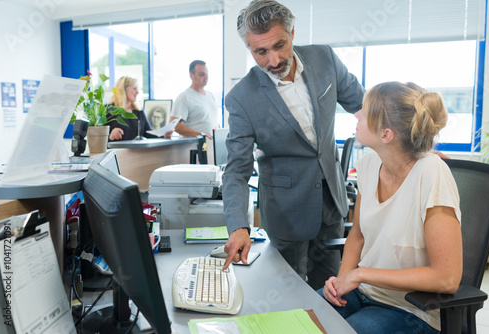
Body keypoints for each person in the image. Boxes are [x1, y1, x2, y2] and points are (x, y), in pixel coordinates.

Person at [221, 0, 365, 290]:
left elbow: (366, 107)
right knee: (289, 292)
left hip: (330, 198)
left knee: (332, 287)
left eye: (279, 45)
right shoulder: (241, 98)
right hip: (286, 210)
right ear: (249, 48)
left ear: (293, 33)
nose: (273, 61)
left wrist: (412, 145)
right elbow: (237, 170)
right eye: (261, 52)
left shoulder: (324, 58)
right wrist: (238, 226)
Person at [319, 82, 462, 334]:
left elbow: (447, 278)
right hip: (363, 292)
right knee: (305, 317)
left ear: (386, 135)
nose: (356, 115)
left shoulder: (431, 173)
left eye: (364, 111)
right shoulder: (368, 164)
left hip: (412, 308)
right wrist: (342, 282)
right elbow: (358, 235)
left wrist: (360, 275)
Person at [108, 76, 172, 141]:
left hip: (138, 150)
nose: (137, 92)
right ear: (123, 89)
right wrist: (111, 136)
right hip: (118, 150)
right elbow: (99, 138)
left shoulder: (138, 111)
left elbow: (148, 134)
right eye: (134, 88)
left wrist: (163, 135)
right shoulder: (109, 110)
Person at [169, 60, 218, 140]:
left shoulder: (210, 95)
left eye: (207, 73)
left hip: (211, 146)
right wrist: (199, 134)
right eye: (202, 74)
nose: (206, 77)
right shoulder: (184, 97)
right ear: (192, 76)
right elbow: (174, 125)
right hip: (195, 147)